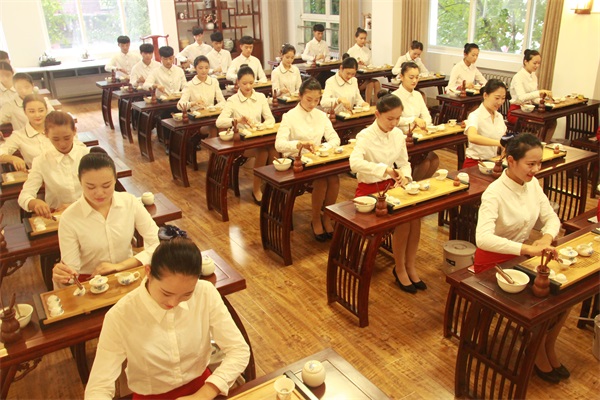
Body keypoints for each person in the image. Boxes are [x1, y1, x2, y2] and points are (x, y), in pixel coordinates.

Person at [84, 238, 250, 399]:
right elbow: (99, 386)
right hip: (151, 397)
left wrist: (204, 394)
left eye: (187, 294)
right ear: (148, 272)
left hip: (202, 388)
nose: (173, 303)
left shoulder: (204, 292)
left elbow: (238, 350)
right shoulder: (121, 315)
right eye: (166, 293)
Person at [474, 133, 567, 384]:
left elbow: (551, 218)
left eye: (539, 163)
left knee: (563, 296)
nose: (536, 169)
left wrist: (546, 238)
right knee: (541, 300)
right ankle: (536, 352)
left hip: (520, 256)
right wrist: (527, 248)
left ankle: (547, 346)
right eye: (531, 164)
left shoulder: (532, 184)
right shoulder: (494, 193)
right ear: (511, 161)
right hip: (493, 262)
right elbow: (483, 239)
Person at [350, 92, 426, 294]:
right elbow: (354, 163)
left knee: (415, 216)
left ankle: (410, 265)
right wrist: (385, 170)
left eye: (398, 118)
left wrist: (405, 177)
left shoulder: (398, 135)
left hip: (391, 188)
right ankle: (399, 268)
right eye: (389, 118)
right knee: (403, 219)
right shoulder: (365, 135)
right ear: (377, 114)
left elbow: (404, 163)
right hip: (369, 190)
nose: (394, 123)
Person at [53, 152, 159, 286]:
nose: (99, 193)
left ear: (115, 179)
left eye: (106, 186)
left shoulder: (129, 202)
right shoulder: (69, 217)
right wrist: (64, 274)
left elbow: (158, 242)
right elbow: (71, 270)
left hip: (128, 276)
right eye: (90, 187)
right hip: (92, 283)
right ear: (80, 180)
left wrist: (120, 266)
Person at [275, 78, 340, 241]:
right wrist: (299, 144)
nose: (312, 104)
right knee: (321, 180)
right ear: (300, 96)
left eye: (316, 100)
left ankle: (327, 217)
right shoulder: (289, 116)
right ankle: (316, 219)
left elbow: (335, 139)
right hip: (297, 162)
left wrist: (324, 147)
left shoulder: (321, 115)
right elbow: (279, 145)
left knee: (334, 179)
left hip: (317, 159)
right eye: (309, 99)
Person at [216, 66, 277, 203]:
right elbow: (219, 122)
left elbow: (270, 119)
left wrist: (261, 126)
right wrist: (237, 120)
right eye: (244, 83)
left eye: (251, 82)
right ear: (238, 82)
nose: (248, 86)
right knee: (263, 152)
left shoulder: (260, 97)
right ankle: (256, 189)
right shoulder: (232, 100)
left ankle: (273, 187)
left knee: (274, 148)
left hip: (258, 137)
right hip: (243, 142)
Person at [18, 111, 89, 218]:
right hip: (60, 216)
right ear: (46, 134)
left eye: (67, 138)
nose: (62, 144)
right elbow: (24, 195)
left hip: (90, 211)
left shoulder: (87, 155)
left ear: (74, 131)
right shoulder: (41, 161)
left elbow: (104, 192)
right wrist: (35, 203)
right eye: (55, 139)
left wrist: (75, 206)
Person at [391, 61, 439, 180]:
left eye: (417, 77)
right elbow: (394, 121)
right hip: (403, 138)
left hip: (419, 136)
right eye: (411, 77)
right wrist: (413, 120)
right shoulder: (394, 97)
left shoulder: (418, 95)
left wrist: (423, 124)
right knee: (425, 163)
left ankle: (418, 185)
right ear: (401, 77)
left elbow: (427, 117)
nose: (414, 81)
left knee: (434, 160)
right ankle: (409, 184)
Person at [462, 79, 508, 168]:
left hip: (492, 162)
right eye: (497, 98)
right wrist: (499, 143)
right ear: (485, 95)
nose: (500, 102)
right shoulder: (475, 115)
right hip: (475, 163)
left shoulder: (499, 117)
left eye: (503, 98)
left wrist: (505, 149)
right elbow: (472, 137)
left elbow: (504, 138)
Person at [178, 55, 225, 138]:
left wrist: (213, 108)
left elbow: (222, 102)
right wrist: (193, 103)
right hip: (197, 120)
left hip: (212, 116)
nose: (204, 70)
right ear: (195, 68)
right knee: (213, 128)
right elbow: (179, 105)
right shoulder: (190, 85)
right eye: (200, 68)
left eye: (206, 68)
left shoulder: (214, 82)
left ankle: (221, 146)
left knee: (222, 125)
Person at [0, 93, 50, 170]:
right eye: (32, 111)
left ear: (46, 110)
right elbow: (2, 151)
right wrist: (12, 158)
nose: (37, 115)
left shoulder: (56, 129)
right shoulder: (19, 135)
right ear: (25, 112)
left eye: (41, 110)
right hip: (38, 175)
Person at [508, 49, 552, 125]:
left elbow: (533, 98)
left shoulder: (534, 76)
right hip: (517, 111)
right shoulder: (518, 77)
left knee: (550, 122)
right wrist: (539, 92)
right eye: (535, 63)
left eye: (539, 63)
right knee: (539, 124)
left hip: (529, 109)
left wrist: (544, 101)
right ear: (526, 62)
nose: (537, 66)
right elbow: (521, 97)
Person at [347, 27, 381, 105]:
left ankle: (377, 104)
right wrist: (358, 65)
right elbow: (349, 66)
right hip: (357, 77)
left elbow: (371, 64)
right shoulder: (351, 51)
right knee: (370, 83)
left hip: (366, 75)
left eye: (365, 38)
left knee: (376, 82)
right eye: (361, 38)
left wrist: (366, 65)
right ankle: (367, 104)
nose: (363, 41)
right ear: (356, 38)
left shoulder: (367, 50)